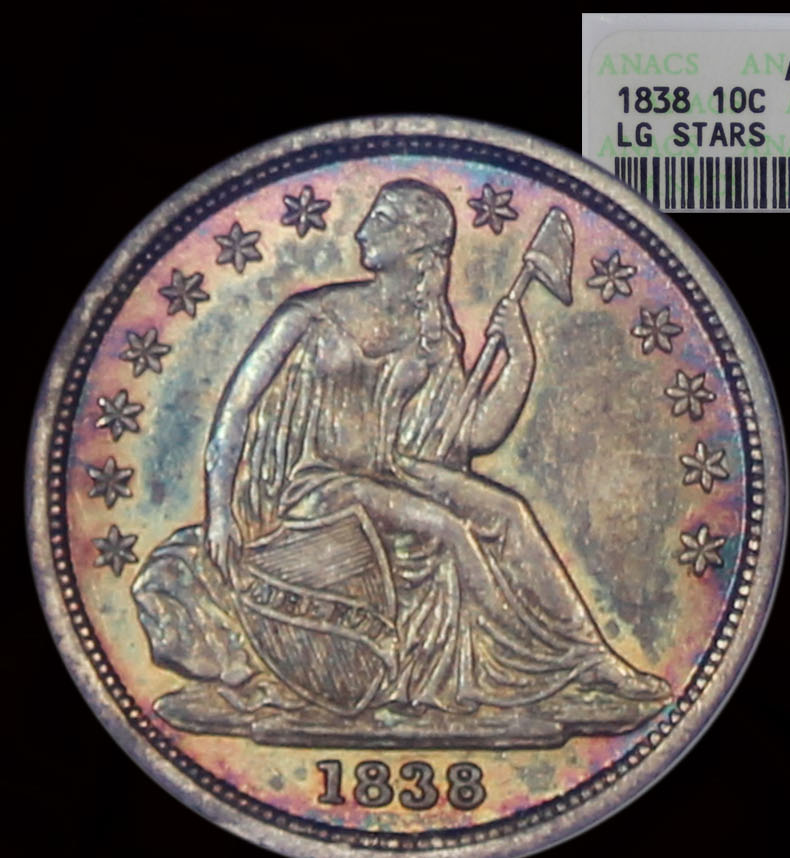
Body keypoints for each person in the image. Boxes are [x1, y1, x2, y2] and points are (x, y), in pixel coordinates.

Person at [143, 178, 668, 726]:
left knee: (509, 510)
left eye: (382, 220)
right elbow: (234, 412)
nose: (362, 231)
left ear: (419, 246)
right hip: (312, 488)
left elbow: (472, 435)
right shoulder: (309, 315)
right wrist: (220, 512)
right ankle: (534, 670)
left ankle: (591, 659)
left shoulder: (432, 337)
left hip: (391, 475)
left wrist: (520, 359)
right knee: (446, 528)